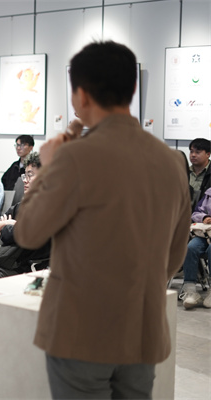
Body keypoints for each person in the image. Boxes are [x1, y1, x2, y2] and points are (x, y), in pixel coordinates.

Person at [14, 41, 191, 399]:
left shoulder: (74, 157)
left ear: (81, 95)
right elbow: (176, 252)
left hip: (82, 330)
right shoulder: (172, 161)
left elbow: (28, 232)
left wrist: (47, 167)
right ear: (132, 88)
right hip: (143, 328)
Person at [0, 152, 49, 281]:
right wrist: (4, 224)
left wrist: (5, 228)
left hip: (26, 269)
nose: (25, 180)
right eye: (24, 175)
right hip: (5, 263)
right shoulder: (23, 205)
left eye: (30, 175)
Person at [179, 187, 211, 309]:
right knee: (190, 247)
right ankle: (190, 290)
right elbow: (195, 213)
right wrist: (204, 218)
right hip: (205, 233)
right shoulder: (208, 194)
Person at [188, 138, 211, 211]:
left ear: (208, 154)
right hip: (185, 214)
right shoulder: (184, 172)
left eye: (197, 152)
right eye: (191, 151)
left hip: (205, 216)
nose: (193, 155)